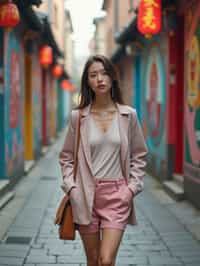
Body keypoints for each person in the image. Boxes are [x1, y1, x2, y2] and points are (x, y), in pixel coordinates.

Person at [59, 54, 148, 266]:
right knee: (93, 259)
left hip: (117, 195)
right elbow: (66, 157)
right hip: (85, 195)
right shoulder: (78, 117)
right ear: (87, 82)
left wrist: (131, 189)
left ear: (112, 78)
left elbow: (139, 155)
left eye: (104, 73)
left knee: (106, 260)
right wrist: (72, 188)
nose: (100, 79)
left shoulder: (129, 116)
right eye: (93, 75)